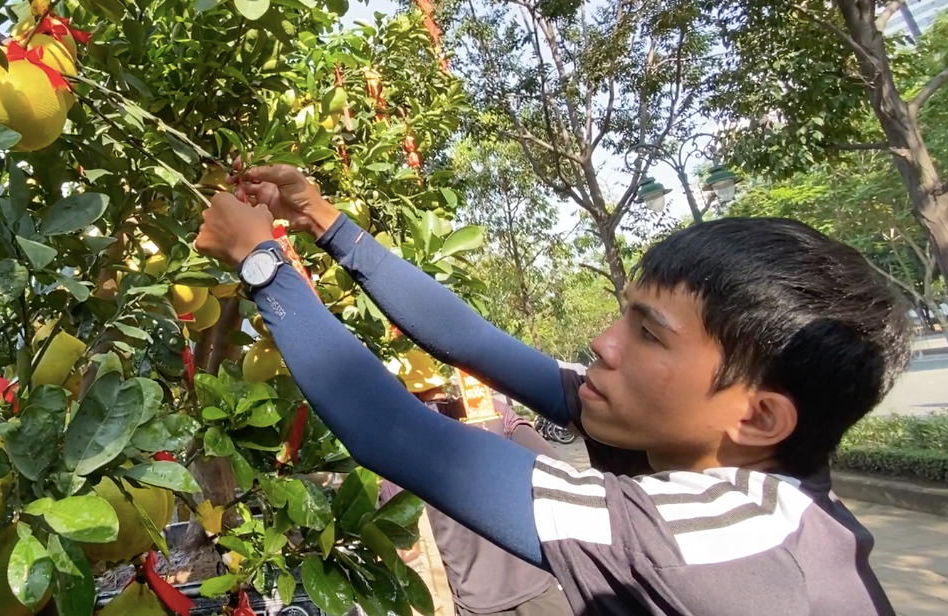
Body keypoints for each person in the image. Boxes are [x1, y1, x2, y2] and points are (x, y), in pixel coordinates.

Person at [195, 165, 910, 616]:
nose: (604, 342)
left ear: (758, 418)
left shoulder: (722, 540)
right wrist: (323, 219)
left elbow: (395, 432)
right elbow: (473, 341)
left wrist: (262, 264)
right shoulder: (693, 442)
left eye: (649, 334)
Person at [382, 356, 569, 616]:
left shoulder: (400, 447)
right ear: (437, 382)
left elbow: (402, 541)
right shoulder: (492, 411)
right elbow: (557, 467)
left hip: (477, 600)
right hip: (538, 586)